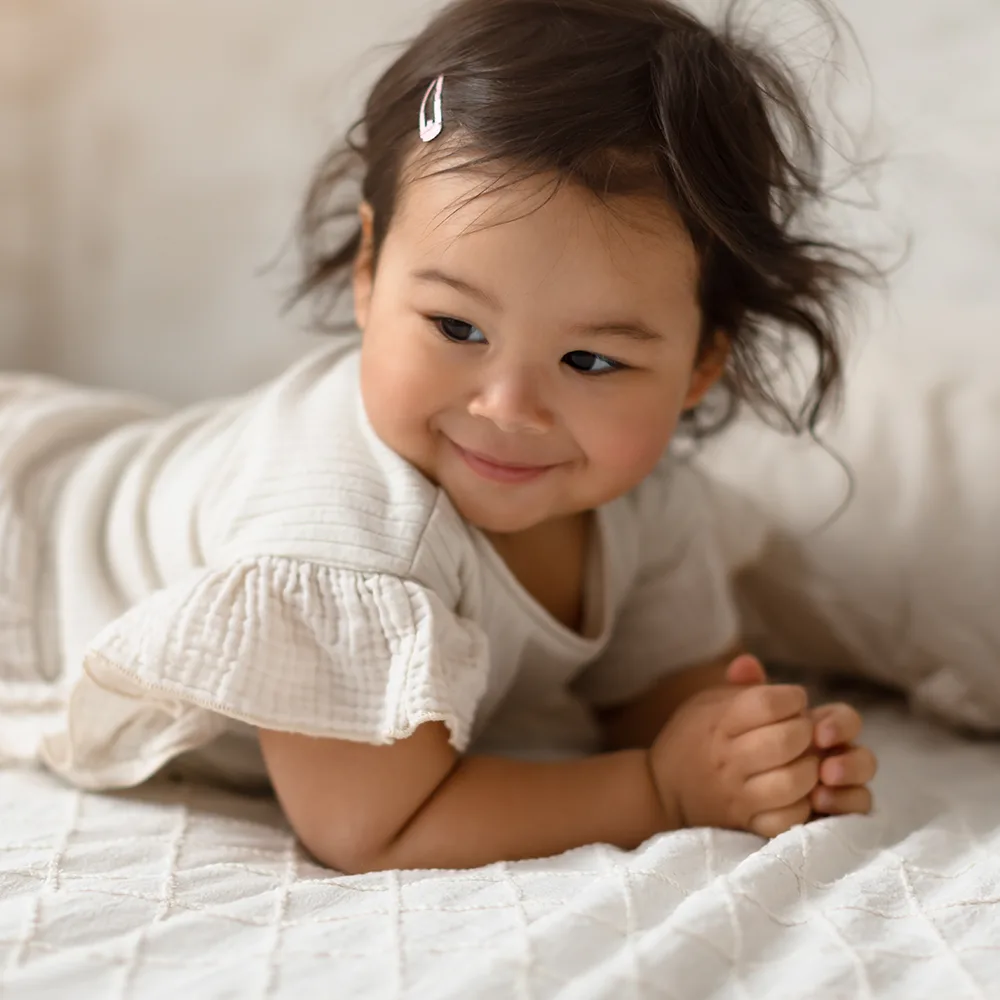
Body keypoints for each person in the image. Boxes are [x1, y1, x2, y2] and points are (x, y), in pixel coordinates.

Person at [0, 0, 877, 873]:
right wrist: (659, 791)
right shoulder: (349, 533)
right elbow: (374, 826)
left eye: (590, 360)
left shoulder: (650, 509)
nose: (509, 407)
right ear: (370, 269)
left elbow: (663, 699)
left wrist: (757, 756)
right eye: (458, 328)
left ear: (699, 365)